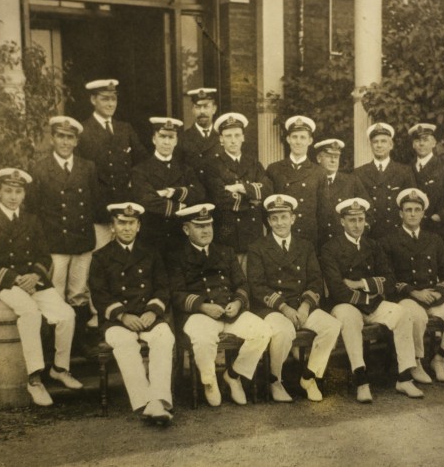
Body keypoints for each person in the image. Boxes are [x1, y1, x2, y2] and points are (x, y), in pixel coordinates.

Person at [0, 168, 82, 406]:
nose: (13, 196)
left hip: (34, 281)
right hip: (5, 285)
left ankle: (60, 369)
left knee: (66, 314)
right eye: (8, 191)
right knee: (29, 313)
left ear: (24, 195)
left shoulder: (32, 220)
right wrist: (13, 278)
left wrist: (34, 275)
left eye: (18, 192)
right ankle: (34, 379)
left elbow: (45, 255)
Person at [320, 198, 425, 401]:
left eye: (360, 219)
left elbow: (390, 280)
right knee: (349, 319)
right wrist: (370, 296)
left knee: (402, 313)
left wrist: (361, 283)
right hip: (344, 305)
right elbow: (338, 290)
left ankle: (404, 378)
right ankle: (362, 380)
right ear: (342, 221)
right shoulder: (330, 248)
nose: (357, 225)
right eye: (352, 220)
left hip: (369, 301)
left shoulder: (373, 245)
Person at [168, 204, 271, 407]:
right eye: (199, 226)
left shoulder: (225, 251)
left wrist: (237, 302)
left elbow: (242, 284)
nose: (206, 230)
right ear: (186, 229)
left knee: (263, 331)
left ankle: (233, 375)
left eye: (209, 225)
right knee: (203, 338)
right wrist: (203, 306)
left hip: (229, 311)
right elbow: (176, 294)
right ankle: (209, 381)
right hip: (199, 314)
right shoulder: (177, 256)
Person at [247, 195, 341, 402]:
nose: (280, 223)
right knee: (283, 330)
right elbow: (257, 286)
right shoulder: (258, 248)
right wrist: (284, 308)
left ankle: (309, 376)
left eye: (284, 217)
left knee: (332, 326)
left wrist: (306, 306)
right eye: (274, 218)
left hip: (301, 305)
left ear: (293, 218)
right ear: (269, 221)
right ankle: (275, 380)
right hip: (272, 308)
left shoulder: (305, 246)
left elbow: (315, 280)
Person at [89, 202, 174, 423]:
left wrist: (153, 311)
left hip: (148, 317)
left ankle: (160, 400)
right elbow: (99, 295)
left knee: (165, 338)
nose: (127, 228)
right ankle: (146, 402)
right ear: (112, 227)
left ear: (139, 226)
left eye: (131, 223)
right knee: (125, 343)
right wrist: (123, 316)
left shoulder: (151, 253)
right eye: (121, 223)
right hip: (117, 321)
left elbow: (163, 287)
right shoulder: (101, 257)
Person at [379, 188, 444, 384]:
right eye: (408, 209)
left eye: (417, 209)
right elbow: (388, 277)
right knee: (417, 316)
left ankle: (439, 358)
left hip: (432, 295)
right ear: (400, 213)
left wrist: (438, 292)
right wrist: (414, 292)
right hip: (406, 297)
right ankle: (416, 361)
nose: (413, 214)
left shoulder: (434, 240)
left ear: (423, 213)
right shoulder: (389, 241)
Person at [29, 116, 100, 344]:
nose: (65, 142)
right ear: (52, 139)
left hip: (81, 242)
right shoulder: (39, 170)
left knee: (79, 292)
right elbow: (32, 209)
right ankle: (55, 347)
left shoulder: (87, 167)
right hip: (55, 243)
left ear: (76, 142)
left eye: (70, 137)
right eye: (61, 136)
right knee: (55, 293)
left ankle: (79, 343)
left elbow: (93, 203)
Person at [78, 79, 148, 251]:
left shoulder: (125, 129)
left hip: (125, 209)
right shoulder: (83, 131)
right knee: (101, 259)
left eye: (113, 99)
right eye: (105, 99)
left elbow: (143, 163)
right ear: (93, 100)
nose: (110, 103)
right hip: (98, 210)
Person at [202, 112, 272, 271]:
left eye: (236, 135)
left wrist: (240, 188)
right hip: (227, 233)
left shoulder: (253, 162)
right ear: (221, 139)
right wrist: (253, 197)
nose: (233, 140)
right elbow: (220, 198)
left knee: (253, 279)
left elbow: (267, 189)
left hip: (252, 233)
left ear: (243, 137)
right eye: (228, 136)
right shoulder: (213, 165)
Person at [131, 117, 204, 253]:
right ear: (154, 139)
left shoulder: (185, 169)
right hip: (152, 237)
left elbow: (199, 193)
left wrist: (172, 192)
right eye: (162, 136)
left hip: (179, 236)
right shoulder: (140, 170)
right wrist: (180, 207)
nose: (166, 142)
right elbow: (146, 199)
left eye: (171, 137)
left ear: (176, 141)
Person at [266, 116, 330, 248]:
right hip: (279, 236)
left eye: (302, 137)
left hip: (308, 238)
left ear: (310, 140)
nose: (298, 142)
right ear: (288, 139)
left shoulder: (319, 172)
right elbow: (265, 207)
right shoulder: (274, 169)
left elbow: (323, 213)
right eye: (294, 137)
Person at [354, 123, 416, 239]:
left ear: (391, 145)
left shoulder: (404, 171)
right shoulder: (359, 173)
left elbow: (411, 205)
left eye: (383, 141)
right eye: (375, 142)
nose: (379, 145)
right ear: (371, 146)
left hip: (396, 233)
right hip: (370, 234)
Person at [408, 123, 444, 243]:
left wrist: (440, 216)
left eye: (425, 140)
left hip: (439, 231)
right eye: (418, 140)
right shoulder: (407, 169)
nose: (421, 143)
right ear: (413, 144)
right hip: (413, 230)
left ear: (434, 143)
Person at [313, 138, 372, 247]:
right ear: (319, 158)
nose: (333, 160)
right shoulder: (312, 181)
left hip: (344, 243)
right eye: (328, 156)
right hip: (318, 242)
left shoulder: (351, 181)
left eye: (336, 157)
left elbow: (368, 210)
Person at [178, 87, 222, 177]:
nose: (202, 111)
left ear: (214, 109)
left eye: (206, 106)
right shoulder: (183, 138)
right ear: (192, 110)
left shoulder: (223, 137)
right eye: (197, 107)